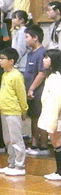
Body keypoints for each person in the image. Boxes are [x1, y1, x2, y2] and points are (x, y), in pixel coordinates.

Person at [0, 47, 28, 176]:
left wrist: (24, 110)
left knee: (16, 139)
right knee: (8, 140)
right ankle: (12, 164)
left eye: (3, 58)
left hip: (13, 111)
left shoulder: (17, 75)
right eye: (0, 58)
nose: (0, 61)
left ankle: (20, 166)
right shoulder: (5, 74)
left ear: (11, 61)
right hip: (4, 110)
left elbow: (21, 94)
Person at [24, 26, 49, 155]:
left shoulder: (42, 53)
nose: (25, 40)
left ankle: (44, 146)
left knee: (41, 118)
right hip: (30, 91)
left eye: (27, 37)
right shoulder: (30, 53)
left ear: (35, 38)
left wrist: (32, 88)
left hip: (39, 91)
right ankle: (34, 144)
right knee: (34, 117)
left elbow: (42, 73)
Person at [38, 49, 61, 180]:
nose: (44, 60)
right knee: (56, 143)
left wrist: (52, 122)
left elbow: (56, 101)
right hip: (51, 115)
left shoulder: (56, 78)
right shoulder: (51, 76)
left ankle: (60, 172)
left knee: (57, 142)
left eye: (47, 58)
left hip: (56, 117)